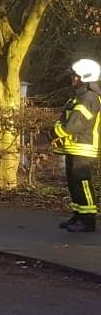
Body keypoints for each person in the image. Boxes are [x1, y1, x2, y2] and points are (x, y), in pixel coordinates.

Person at [55, 59, 100, 233]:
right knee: (74, 183)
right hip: (74, 145)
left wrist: (55, 132)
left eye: (76, 76)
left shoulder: (89, 98)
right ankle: (79, 215)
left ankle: (88, 220)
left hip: (84, 146)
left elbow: (72, 125)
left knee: (82, 183)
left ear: (85, 77)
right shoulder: (79, 96)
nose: (73, 79)